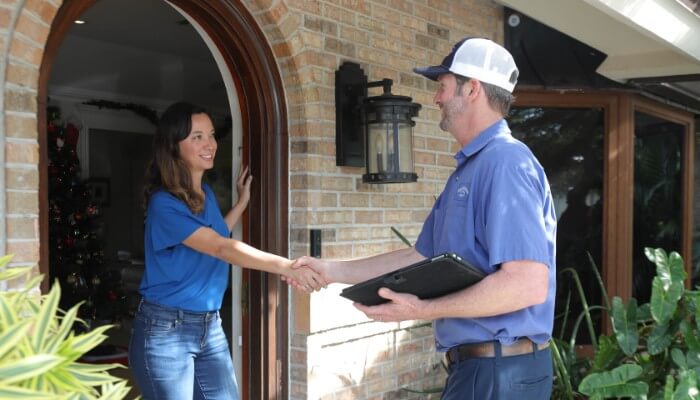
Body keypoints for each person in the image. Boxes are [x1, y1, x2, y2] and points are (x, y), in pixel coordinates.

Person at [291, 38, 557, 399]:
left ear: (473, 88)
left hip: (500, 374)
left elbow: (526, 284)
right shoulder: (473, 168)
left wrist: (422, 309)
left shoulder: (506, 163)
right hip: (484, 371)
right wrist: (332, 270)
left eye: (443, 86)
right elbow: (418, 257)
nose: (436, 98)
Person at [128, 102, 324, 400]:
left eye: (211, 134)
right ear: (173, 145)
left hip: (209, 325)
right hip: (166, 329)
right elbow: (221, 248)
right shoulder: (164, 203)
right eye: (197, 137)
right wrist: (287, 266)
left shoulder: (203, 194)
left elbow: (215, 235)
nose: (210, 144)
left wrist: (242, 203)